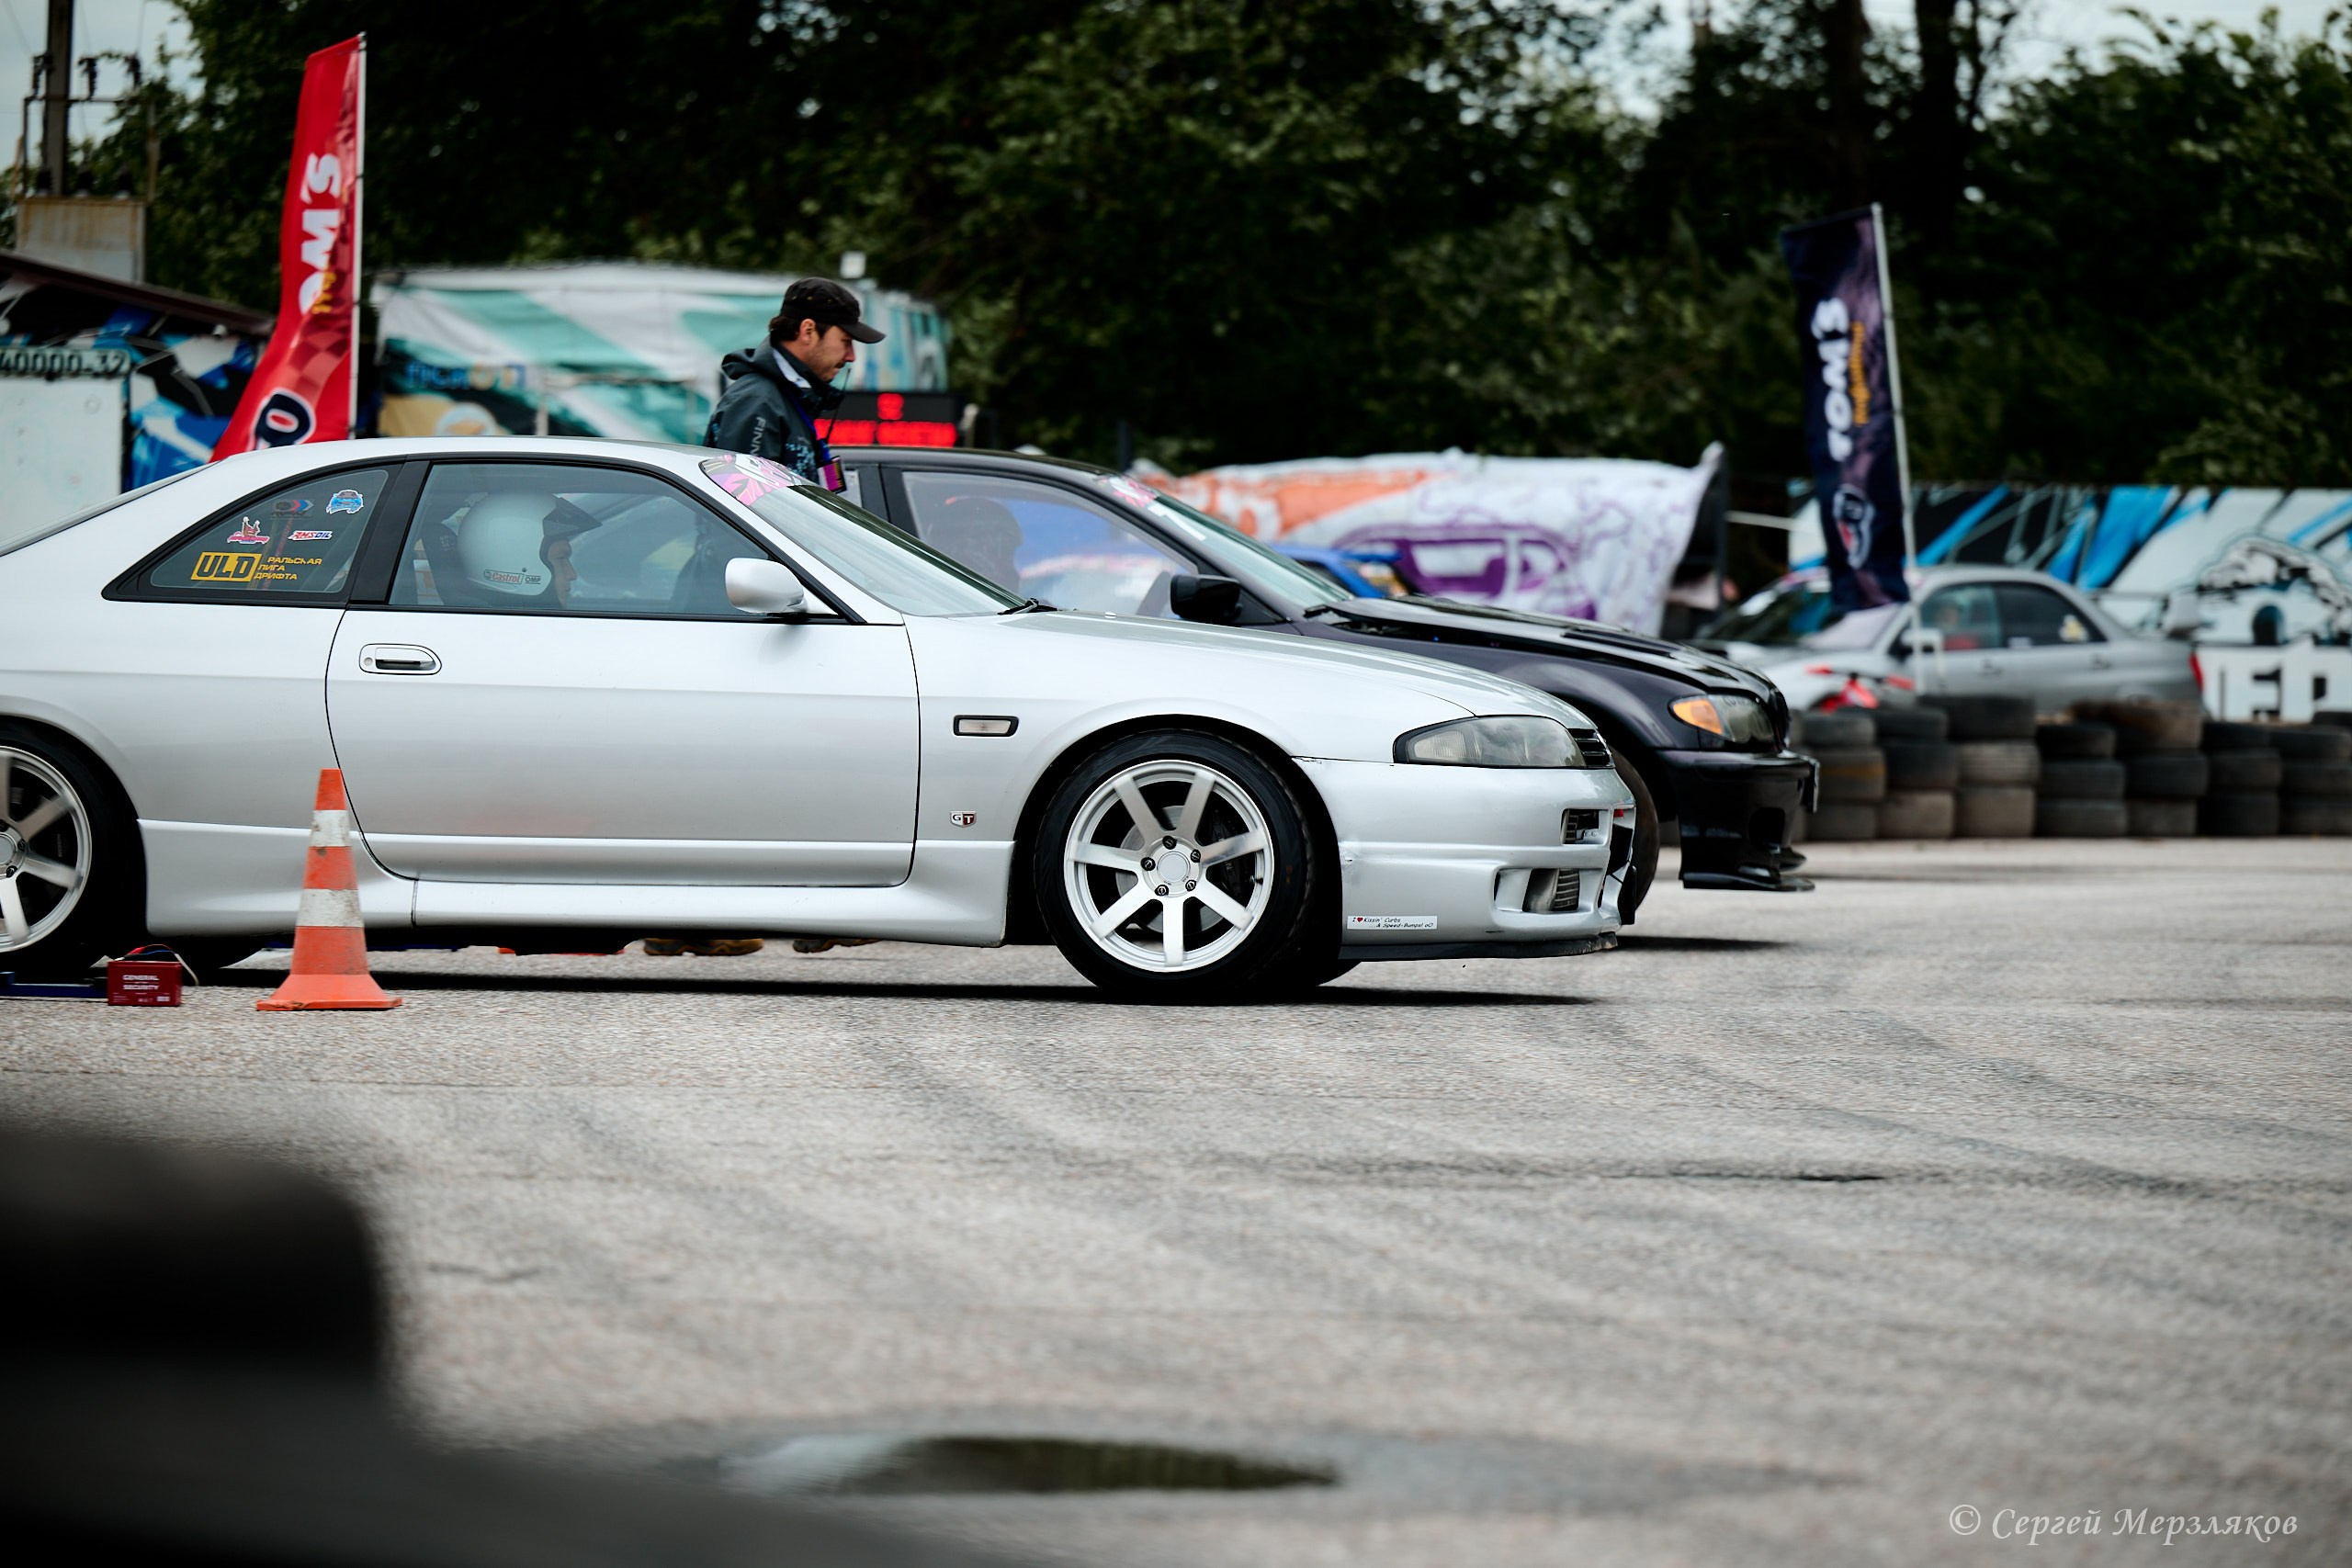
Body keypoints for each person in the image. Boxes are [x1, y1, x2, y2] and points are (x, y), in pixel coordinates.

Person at [703, 277, 884, 487]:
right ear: (808, 330)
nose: (851, 356)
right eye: (846, 341)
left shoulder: (787, 397)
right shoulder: (758, 402)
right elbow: (741, 506)